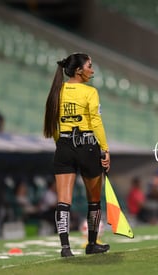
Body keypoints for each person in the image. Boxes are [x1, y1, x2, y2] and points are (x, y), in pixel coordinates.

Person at [43, 52, 110, 257]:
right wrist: (105, 149)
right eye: (90, 65)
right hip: (87, 147)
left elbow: (53, 124)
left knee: (63, 201)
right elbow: (96, 122)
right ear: (79, 71)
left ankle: (65, 248)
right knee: (94, 200)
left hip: (63, 146)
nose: (93, 69)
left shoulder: (58, 90)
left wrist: (61, 144)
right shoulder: (90, 92)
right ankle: (92, 244)